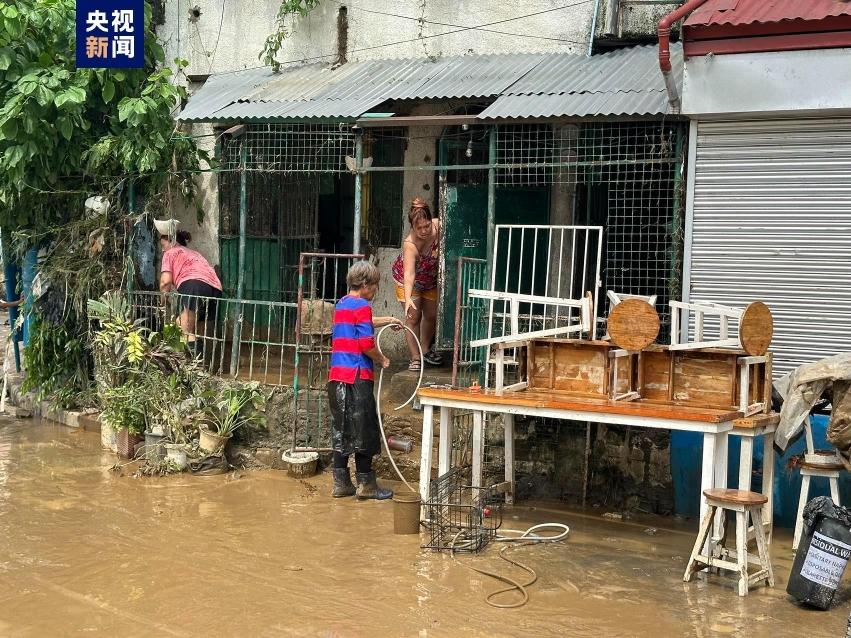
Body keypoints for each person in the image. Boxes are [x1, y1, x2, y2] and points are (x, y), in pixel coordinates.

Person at [327, 260, 402, 499]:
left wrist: (389, 319)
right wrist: (382, 359)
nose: (376, 290)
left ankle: (341, 484)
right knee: (364, 430)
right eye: (375, 285)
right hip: (357, 376)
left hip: (337, 376)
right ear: (366, 284)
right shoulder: (362, 306)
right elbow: (366, 344)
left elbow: (362, 323)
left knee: (341, 430)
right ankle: (366, 485)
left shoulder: (342, 304)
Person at [155, 219, 223, 357]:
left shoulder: (170, 253)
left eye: (163, 245)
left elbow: (165, 282)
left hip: (194, 285)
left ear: (172, 242)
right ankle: (204, 361)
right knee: (196, 330)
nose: (162, 249)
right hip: (215, 288)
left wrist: (162, 301)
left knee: (183, 328)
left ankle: (196, 365)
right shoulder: (194, 253)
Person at [391, 197, 442, 371]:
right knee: (413, 317)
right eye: (419, 228)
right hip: (407, 281)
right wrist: (407, 298)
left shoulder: (439, 226)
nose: (424, 231)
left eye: (427, 226)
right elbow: (409, 274)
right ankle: (415, 357)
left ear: (431, 220)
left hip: (430, 280)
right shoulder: (410, 244)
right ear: (412, 226)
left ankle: (425, 349)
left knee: (432, 315)